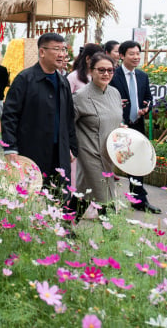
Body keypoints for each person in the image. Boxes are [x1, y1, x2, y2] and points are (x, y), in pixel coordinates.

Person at [1, 33, 78, 192]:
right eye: (56, 49)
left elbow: (68, 119)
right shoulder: (25, 79)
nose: (62, 54)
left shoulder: (63, 82)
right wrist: (10, 148)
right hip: (32, 150)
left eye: (63, 49)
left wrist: (71, 147)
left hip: (59, 153)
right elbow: (10, 116)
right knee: (29, 197)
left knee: (59, 199)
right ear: (42, 52)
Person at [68, 53, 123, 220]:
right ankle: (113, 238)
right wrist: (69, 148)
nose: (106, 74)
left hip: (109, 153)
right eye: (101, 70)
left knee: (84, 192)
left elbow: (115, 119)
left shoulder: (114, 93)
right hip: (89, 152)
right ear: (91, 71)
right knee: (105, 195)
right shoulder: (80, 96)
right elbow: (67, 124)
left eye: (110, 70)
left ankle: (65, 225)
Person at [109, 40, 160, 214]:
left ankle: (138, 199)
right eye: (132, 54)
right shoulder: (113, 76)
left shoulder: (142, 76)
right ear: (122, 56)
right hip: (117, 126)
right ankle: (106, 201)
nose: (136, 57)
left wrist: (146, 107)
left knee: (137, 162)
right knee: (110, 162)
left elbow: (148, 98)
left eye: (138, 53)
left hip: (136, 125)